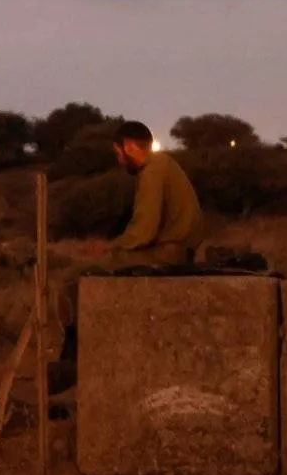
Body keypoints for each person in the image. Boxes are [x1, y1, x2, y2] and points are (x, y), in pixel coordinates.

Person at [51, 120, 206, 377]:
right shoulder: (164, 166)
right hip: (174, 250)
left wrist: (110, 249)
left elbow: (143, 231)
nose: (119, 161)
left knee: (73, 277)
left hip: (165, 254)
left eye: (118, 154)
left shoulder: (153, 170)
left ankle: (73, 352)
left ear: (129, 147)